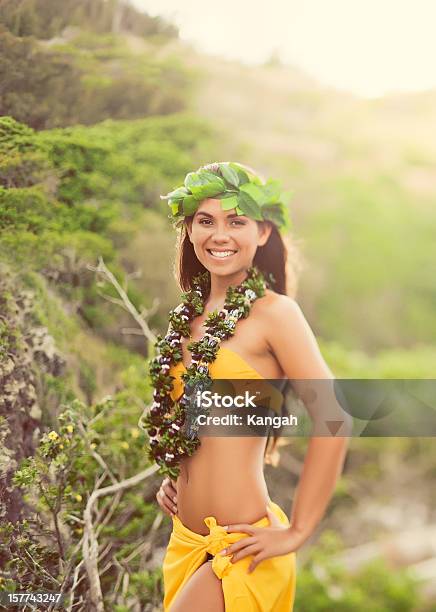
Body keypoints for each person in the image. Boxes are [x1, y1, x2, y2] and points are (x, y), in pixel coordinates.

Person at [148, 162, 352, 611]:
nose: (219, 234)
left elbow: (335, 418)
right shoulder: (189, 316)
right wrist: (176, 476)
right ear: (189, 228)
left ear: (262, 233)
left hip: (240, 549)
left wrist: (297, 531)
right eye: (206, 220)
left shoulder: (274, 314)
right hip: (185, 542)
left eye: (236, 221)